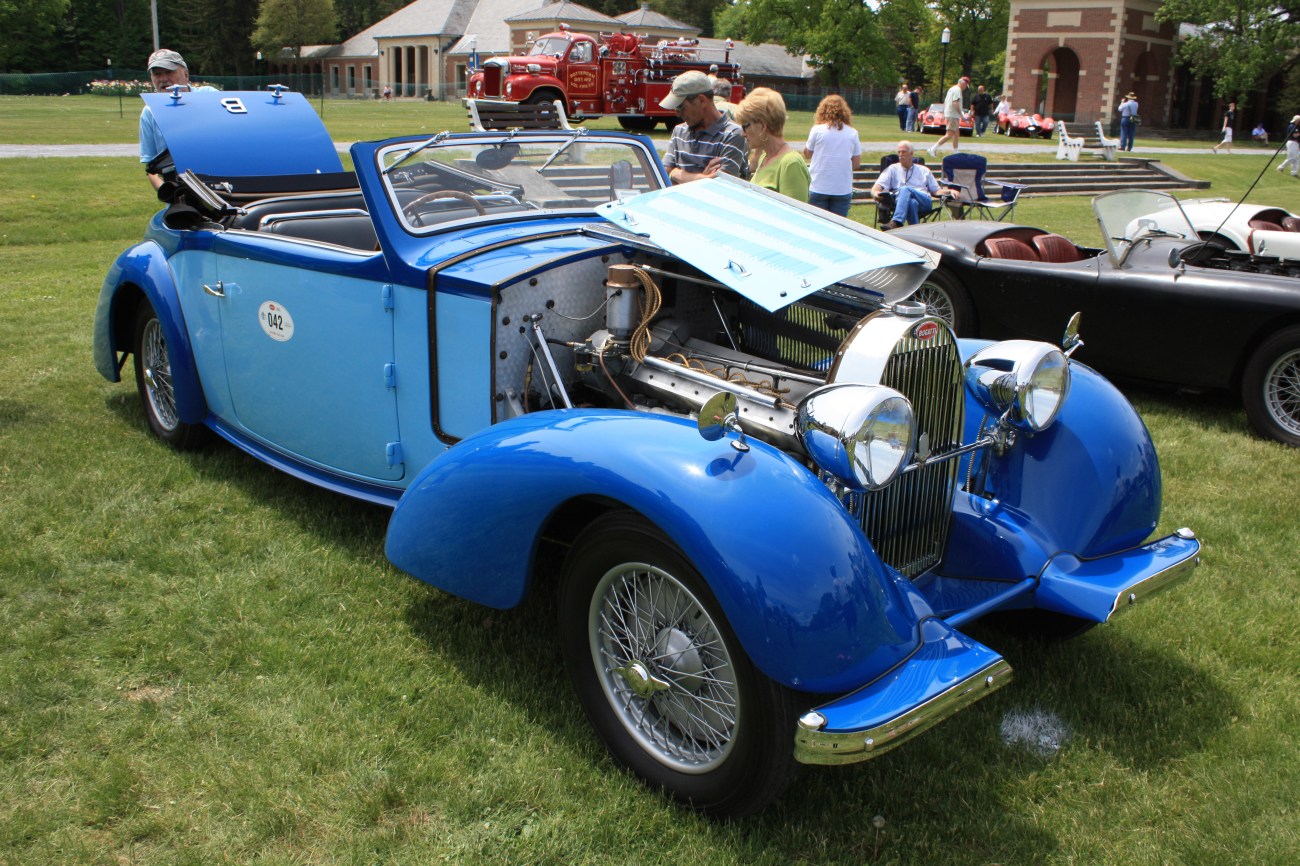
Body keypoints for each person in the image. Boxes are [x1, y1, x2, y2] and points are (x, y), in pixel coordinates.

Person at [138, 48, 217, 190]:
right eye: (157, 74)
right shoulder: (149, 113)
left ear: (186, 75)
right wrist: (167, 191)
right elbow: (151, 167)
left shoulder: (209, 96)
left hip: (217, 181)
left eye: (169, 72)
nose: (163, 79)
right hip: (180, 189)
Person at [660, 70, 749, 183]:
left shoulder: (733, 134)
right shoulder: (679, 131)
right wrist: (703, 178)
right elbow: (664, 172)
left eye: (681, 107)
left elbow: (722, 185)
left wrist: (676, 173)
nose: (677, 113)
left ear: (702, 100)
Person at [736, 87, 809, 202]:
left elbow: (794, 217)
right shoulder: (764, 158)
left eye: (745, 126)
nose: (742, 133)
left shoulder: (791, 163)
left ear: (762, 126)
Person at [802, 94, 861, 216]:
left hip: (819, 185)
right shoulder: (853, 133)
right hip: (842, 188)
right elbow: (856, 163)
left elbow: (807, 154)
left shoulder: (817, 130)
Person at [872, 141, 951, 228]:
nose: (900, 155)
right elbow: (877, 187)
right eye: (899, 152)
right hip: (899, 201)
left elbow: (936, 190)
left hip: (924, 201)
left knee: (905, 189)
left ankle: (897, 221)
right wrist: (875, 193)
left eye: (904, 152)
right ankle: (915, 231)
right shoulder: (892, 169)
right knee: (911, 203)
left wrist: (950, 191)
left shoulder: (924, 170)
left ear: (911, 153)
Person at [928, 76, 969, 158]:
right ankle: (932, 149)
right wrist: (961, 115)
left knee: (956, 133)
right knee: (949, 134)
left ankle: (956, 151)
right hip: (953, 115)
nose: (966, 87)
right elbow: (955, 103)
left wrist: (944, 113)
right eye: (966, 85)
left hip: (950, 114)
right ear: (963, 83)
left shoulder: (951, 89)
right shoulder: (957, 90)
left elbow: (946, 102)